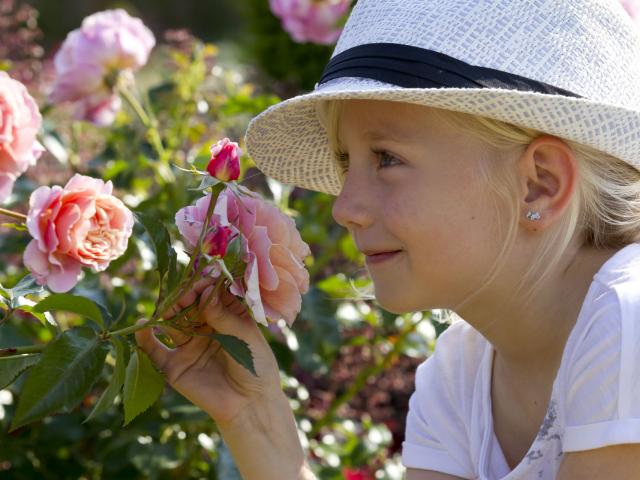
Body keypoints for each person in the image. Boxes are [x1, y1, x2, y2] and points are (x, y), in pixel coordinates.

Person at [135, 0, 640, 478]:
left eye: (387, 159)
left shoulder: (629, 317)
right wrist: (251, 414)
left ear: (540, 183)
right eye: (345, 162)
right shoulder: (460, 375)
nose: (343, 207)